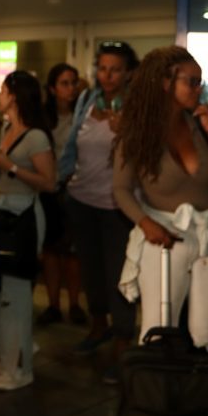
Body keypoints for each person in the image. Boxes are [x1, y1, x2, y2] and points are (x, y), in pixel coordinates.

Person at [113, 46, 208, 371]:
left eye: (201, 82)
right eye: (192, 81)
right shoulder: (137, 132)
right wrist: (144, 222)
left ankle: (205, 394)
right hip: (165, 236)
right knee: (158, 329)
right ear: (166, 83)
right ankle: (156, 395)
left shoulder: (203, 122)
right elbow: (120, 189)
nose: (198, 89)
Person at [58, 41, 138, 383]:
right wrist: (65, 180)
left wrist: (125, 132)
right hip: (81, 199)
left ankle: (123, 342)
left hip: (117, 205)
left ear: (128, 73)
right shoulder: (88, 101)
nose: (107, 75)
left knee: (118, 274)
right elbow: (74, 147)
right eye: (102, 68)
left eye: (115, 69)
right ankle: (98, 326)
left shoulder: (135, 108)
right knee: (90, 269)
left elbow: (144, 156)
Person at [0, 71, 55, 391]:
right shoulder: (7, 129)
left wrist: (8, 166)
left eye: (3, 90)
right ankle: (16, 351)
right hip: (1, 216)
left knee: (15, 295)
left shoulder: (35, 137)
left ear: (14, 95)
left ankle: (18, 367)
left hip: (23, 219)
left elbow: (49, 182)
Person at [38, 63, 85, 326]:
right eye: (64, 83)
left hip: (76, 189)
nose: (71, 88)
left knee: (73, 251)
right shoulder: (43, 118)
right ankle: (54, 304)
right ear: (53, 88)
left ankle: (75, 303)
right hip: (49, 190)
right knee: (51, 250)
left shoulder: (84, 114)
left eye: (74, 82)